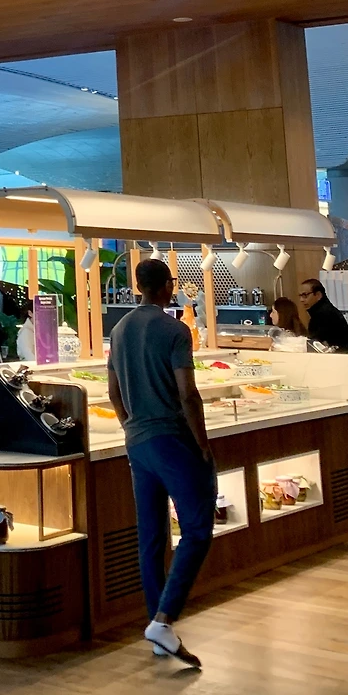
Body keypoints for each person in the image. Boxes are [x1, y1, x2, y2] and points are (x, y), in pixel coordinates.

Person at [107, 259, 215, 669]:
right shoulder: (175, 330)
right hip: (173, 439)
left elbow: (114, 391)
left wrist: (130, 426)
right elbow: (188, 393)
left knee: (151, 538)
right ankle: (164, 620)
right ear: (168, 287)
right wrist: (202, 443)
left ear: (138, 286)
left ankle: (158, 630)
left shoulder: (119, 330)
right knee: (197, 529)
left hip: (137, 443)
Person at [298, 277, 348, 352]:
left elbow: (316, 344)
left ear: (318, 295)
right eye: (300, 296)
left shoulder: (324, 314)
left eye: (305, 295)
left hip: (341, 356)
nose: (301, 300)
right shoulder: (323, 311)